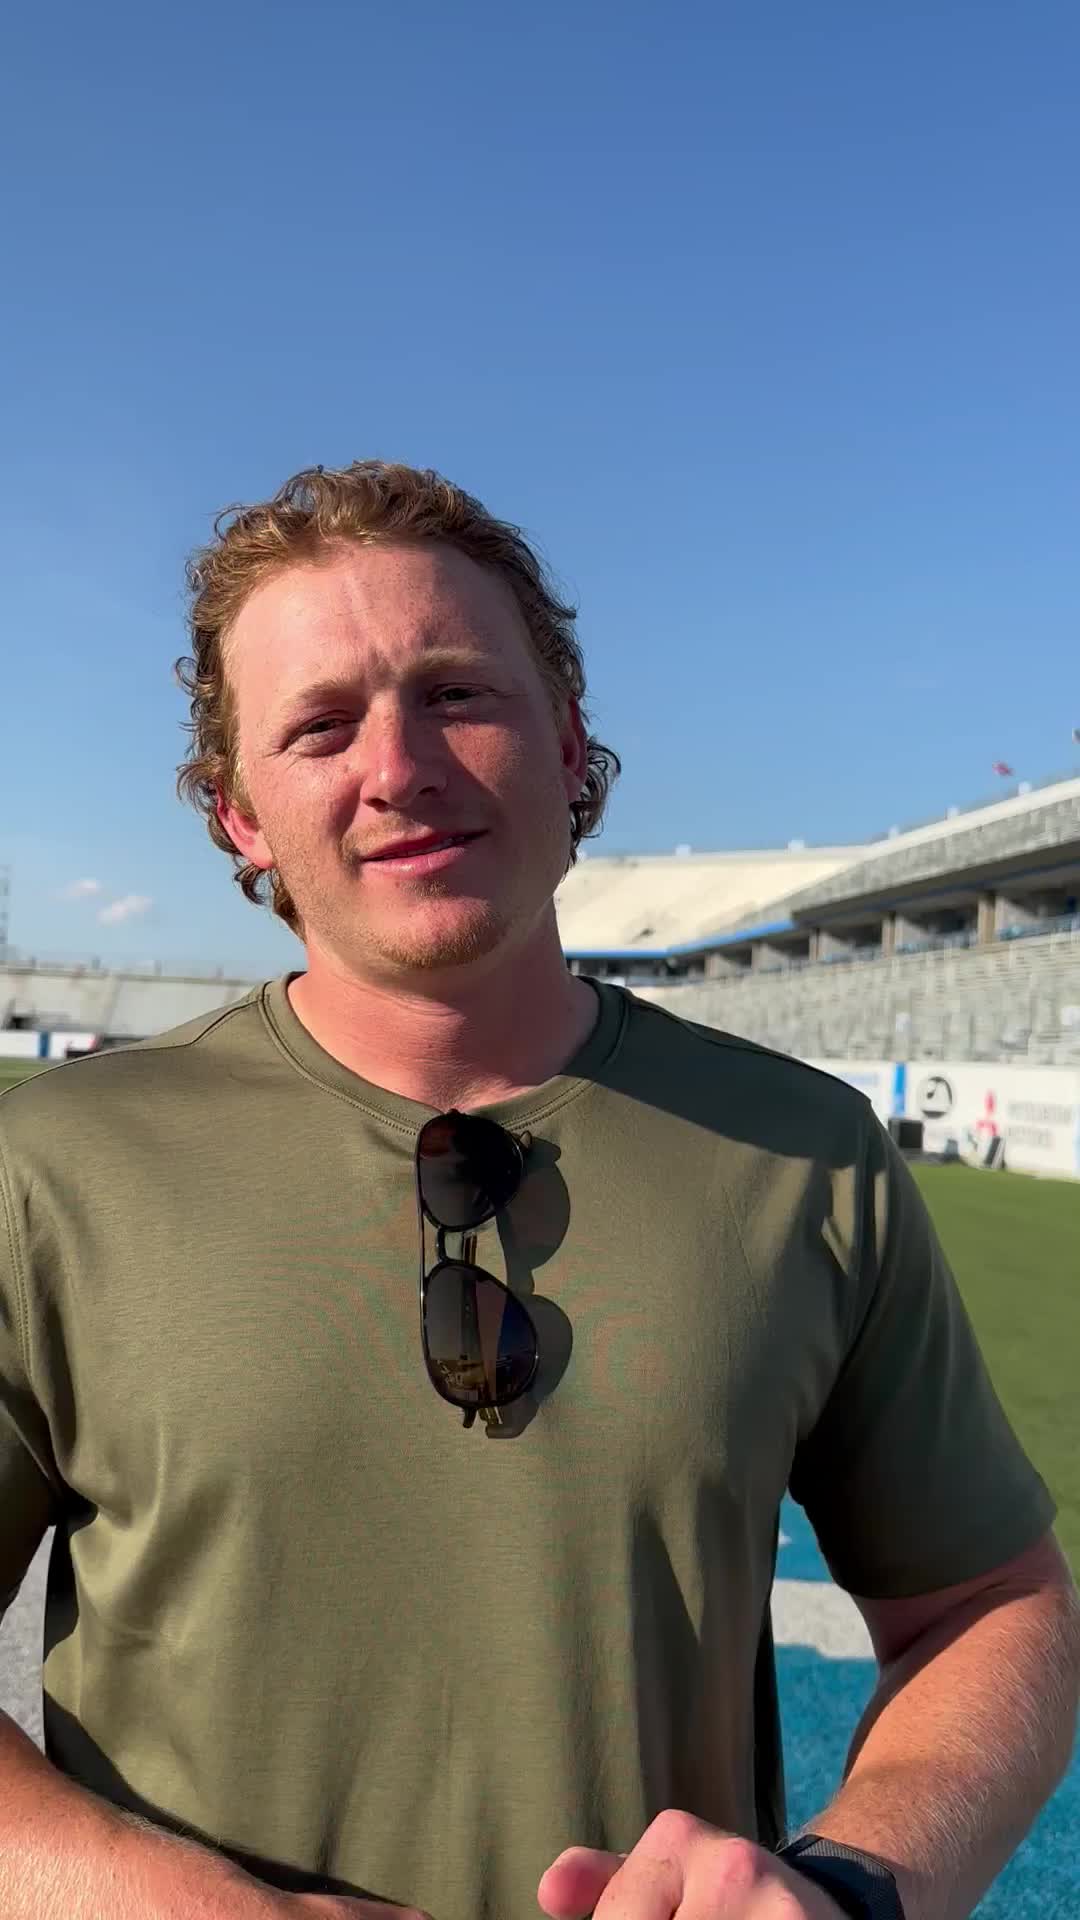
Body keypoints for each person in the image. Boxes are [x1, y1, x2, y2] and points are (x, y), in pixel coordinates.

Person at [0, 461, 1076, 1920]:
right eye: (320, 726)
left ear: (569, 743)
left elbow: (991, 1604)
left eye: (458, 693)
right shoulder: (54, 1170)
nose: (398, 765)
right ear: (239, 816)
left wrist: (852, 1889)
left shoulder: (810, 1157)